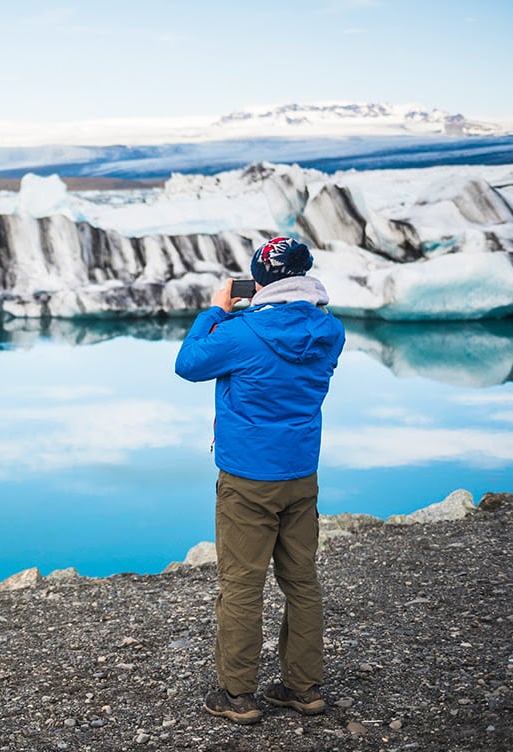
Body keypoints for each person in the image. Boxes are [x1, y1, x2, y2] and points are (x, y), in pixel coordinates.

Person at [174, 236, 346, 725]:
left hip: (247, 479)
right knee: (301, 580)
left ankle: (237, 695)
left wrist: (215, 310)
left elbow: (188, 364)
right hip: (300, 473)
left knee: (242, 584)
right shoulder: (330, 331)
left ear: (261, 280)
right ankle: (304, 688)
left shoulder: (240, 331)